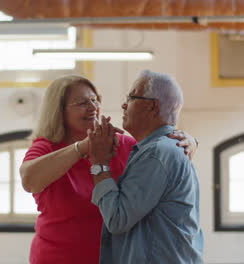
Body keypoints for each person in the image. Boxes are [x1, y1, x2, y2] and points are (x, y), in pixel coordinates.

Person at [19, 74, 199, 264]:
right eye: (81, 103)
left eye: (94, 99)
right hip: (59, 257)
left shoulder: (119, 142)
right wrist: (83, 147)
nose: (93, 107)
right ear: (59, 111)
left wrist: (191, 142)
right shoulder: (47, 146)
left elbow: (161, 158)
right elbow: (29, 180)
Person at [88, 70, 203, 264]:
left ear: (153, 106)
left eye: (131, 97)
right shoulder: (164, 148)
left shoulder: (156, 153)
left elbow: (117, 219)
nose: (124, 105)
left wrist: (99, 164)